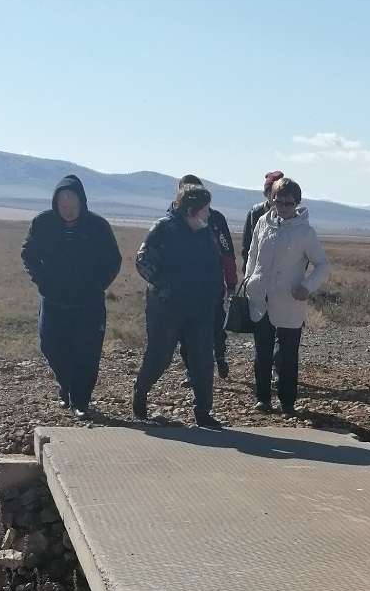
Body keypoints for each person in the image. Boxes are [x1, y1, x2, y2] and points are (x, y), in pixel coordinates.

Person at [20, 174, 122, 418]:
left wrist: (97, 286)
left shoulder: (98, 227)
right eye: (62, 206)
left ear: (81, 202)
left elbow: (113, 260)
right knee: (51, 346)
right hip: (54, 299)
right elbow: (28, 254)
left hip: (88, 302)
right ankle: (66, 386)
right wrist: (42, 281)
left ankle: (80, 401)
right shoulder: (43, 223)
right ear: (55, 204)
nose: (67, 211)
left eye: (72, 206)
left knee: (87, 351)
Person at [132, 185, 225, 428]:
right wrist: (165, 286)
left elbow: (215, 267)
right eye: (205, 209)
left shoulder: (206, 233)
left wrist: (216, 294)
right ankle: (139, 397)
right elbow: (143, 261)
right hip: (166, 307)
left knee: (202, 359)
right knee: (159, 356)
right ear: (191, 210)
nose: (208, 213)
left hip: (200, 307)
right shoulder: (164, 228)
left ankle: (203, 412)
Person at [243, 177, 331, 416]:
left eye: (288, 203)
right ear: (271, 200)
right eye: (277, 201)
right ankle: (262, 398)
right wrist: (249, 280)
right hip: (261, 297)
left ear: (297, 203)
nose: (282, 207)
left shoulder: (305, 232)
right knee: (262, 353)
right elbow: (252, 253)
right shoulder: (263, 222)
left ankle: (287, 402)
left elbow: (323, 265)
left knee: (287, 355)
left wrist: (307, 286)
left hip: (290, 301)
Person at [175, 174, 236, 380]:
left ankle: (219, 356)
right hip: (183, 289)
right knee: (185, 332)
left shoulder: (215, 219)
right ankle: (191, 371)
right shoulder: (172, 220)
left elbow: (227, 252)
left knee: (216, 326)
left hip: (212, 287)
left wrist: (231, 283)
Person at [241, 170, 284, 265]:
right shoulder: (255, 212)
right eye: (274, 193)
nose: (277, 197)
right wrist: (248, 270)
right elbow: (247, 244)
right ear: (267, 193)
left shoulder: (290, 214)